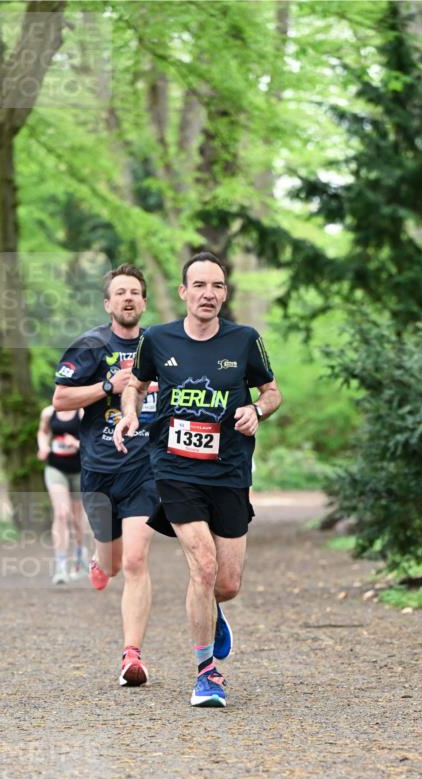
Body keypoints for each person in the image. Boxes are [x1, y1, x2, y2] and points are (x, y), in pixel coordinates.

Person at [114, 251, 281, 707]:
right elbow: (136, 383)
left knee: (225, 583)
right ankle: (207, 673)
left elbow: (271, 391)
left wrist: (256, 410)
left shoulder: (244, 340)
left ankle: (213, 608)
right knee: (203, 566)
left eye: (218, 287)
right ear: (184, 292)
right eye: (201, 286)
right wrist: (129, 415)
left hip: (228, 472)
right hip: (175, 468)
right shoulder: (159, 339)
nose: (209, 294)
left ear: (225, 294)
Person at [52, 264, 158, 687]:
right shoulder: (91, 346)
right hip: (98, 470)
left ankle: (131, 655)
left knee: (135, 560)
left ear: (144, 302)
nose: (128, 298)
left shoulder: (160, 346)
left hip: (144, 468)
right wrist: (108, 387)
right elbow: (61, 399)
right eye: (120, 292)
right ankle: (98, 559)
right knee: (112, 563)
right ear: (108, 303)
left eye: (135, 292)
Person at [37, 405, 86, 584]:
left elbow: (93, 441)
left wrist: (76, 443)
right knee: (61, 514)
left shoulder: (82, 412)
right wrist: (43, 446)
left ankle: (80, 556)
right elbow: (42, 432)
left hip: (79, 470)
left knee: (76, 519)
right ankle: (61, 567)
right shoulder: (48, 413)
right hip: (56, 468)